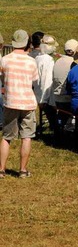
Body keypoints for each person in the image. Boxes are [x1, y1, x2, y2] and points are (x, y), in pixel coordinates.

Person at [0, 30, 39, 178]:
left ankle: (1, 169)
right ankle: (23, 170)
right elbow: (34, 80)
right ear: (27, 43)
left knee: (7, 137)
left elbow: (3, 78)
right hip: (27, 102)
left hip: (10, 101)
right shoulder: (31, 61)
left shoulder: (5, 59)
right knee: (26, 136)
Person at [51, 39, 78, 132]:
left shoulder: (58, 61)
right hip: (67, 98)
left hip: (57, 98)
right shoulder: (74, 63)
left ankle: (64, 127)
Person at [34, 35, 58, 133]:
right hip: (46, 96)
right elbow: (47, 80)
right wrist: (44, 99)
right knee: (53, 116)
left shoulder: (38, 58)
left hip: (38, 92)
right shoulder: (48, 60)